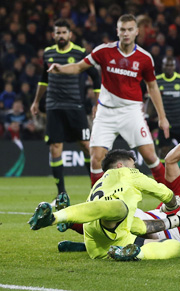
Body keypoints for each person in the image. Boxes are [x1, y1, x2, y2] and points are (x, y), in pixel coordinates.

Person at [57, 117, 180, 251]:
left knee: (151, 240)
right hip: (148, 223)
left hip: (164, 240)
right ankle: (69, 220)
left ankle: (79, 237)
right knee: (118, 215)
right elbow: (170, 160)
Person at [47, 14, 170, 186]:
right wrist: (61, 68)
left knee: (150, 156)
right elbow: (79, 67)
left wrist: (162, 117)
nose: (126, 33)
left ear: (137, 31)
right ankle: (97, 201)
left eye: (129, 30)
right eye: (122, 30)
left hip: (131, 111)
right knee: (96, 159)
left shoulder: (145, 58)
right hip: (106, 112)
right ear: (117, 31)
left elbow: (153, 87)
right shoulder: (103, 51)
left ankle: (171, 199)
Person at [28, 149, 180, 261]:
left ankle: (129, 251)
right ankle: (54, 218)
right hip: (110, 221)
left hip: (97, 249)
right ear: (121, 165)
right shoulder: (128, 173)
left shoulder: (99, 184)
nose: (136, 168)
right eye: (133, 165)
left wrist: (177, 220)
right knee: (119, 208)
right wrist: (172, 205)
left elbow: (140, 227)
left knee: (125, 214)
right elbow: (163, 192)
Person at [30, 19, 101, 197]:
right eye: (58, 33)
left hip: (75, 106)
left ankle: (95, 187)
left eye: (64, 32)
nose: (61, 36)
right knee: (55, 147)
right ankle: (61, 193)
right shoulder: (48, 53)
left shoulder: (79, 53)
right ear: (53, 35)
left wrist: (98, 102)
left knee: (86, 145)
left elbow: (95, 75)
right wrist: (36, 101)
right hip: (54, 106)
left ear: (70, 34)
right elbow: (43, 79)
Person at [152, 56, 180, 179]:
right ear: (162, 66)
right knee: (162, 151)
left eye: (171, 65)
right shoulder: (157, 80)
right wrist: (146, 116)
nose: (169, 68)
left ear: (175, 67)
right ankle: (161, 182)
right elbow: (150, 100)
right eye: (167, 65)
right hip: (165, 123)